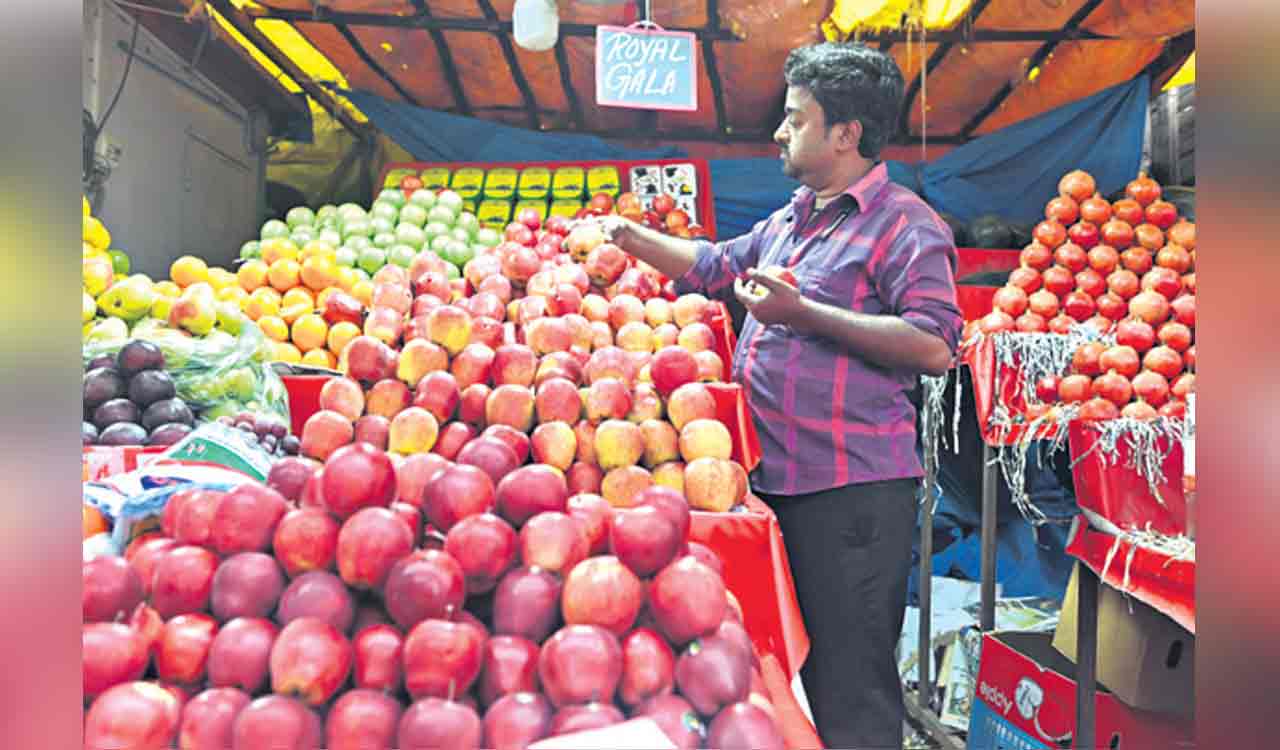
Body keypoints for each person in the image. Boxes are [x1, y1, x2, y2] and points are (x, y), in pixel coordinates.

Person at [579, 41, 963, 748]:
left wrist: (804, 313)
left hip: (849, 493)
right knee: (786, 680)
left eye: (796, 118)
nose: (780, 132)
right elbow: (714, 265)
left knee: (850, 688)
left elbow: (935, 344)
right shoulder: (794, 218)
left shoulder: (905, 226)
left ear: (845, 134)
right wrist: (626, 235)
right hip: (773, 486)